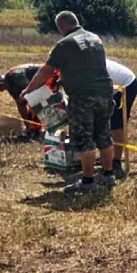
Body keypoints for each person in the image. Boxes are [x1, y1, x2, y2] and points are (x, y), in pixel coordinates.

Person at [21, 11, 116, 193]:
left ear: (61, 27)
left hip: (83, 97)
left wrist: (29, 90)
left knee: (84, 139)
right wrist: (65, 79)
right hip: (105, 92)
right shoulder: (95, 38)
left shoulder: (64, 43)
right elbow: (88, 67)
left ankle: (88, 182)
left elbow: (45, 71)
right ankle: (108, 174)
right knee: (103, 135)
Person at [0, 64, 60, 134]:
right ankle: (34, 127)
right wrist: (27, 123)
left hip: (49, 75)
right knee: (29, 102)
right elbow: (20, 104)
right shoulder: (9, 84)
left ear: (1, 82)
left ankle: (36, 129)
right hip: (42, 79)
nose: (0, 91)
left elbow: (32, 90)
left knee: (34, 102)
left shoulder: (15, 76)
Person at [107, 58, 137, 179]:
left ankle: (116, 161)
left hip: (126, 86)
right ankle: (108, 155)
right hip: (112, 87)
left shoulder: (90, 66)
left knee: (117, 123)